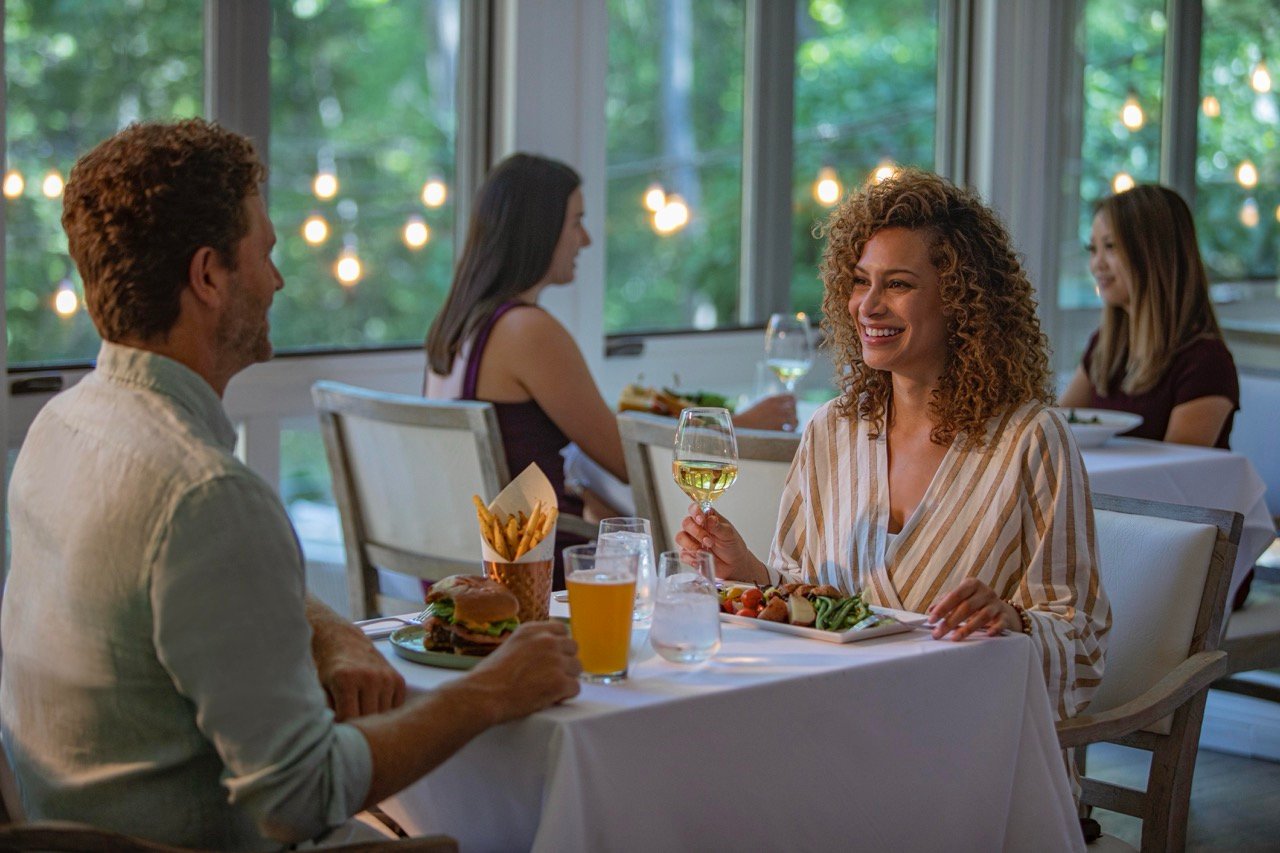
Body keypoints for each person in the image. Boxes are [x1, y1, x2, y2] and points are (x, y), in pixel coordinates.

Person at [0, 119, 581, 850]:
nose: (276, 280)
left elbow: (193, 580)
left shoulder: (62, 427)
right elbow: (299, 796)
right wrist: (493, 691)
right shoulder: (205, 493)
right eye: (265, 253)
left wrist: (330, 627)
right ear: (209, 275)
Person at [678, 169, 1111, 722]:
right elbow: (803, 605)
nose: (869, 305)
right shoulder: (831, 430)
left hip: (966, 733)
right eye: (861, 281)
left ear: (960, 299)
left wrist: (1013, 619)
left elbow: (1081, 637)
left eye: (899, 284)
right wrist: (750, 574)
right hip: (831, 718)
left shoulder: (1030, 439)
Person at [424, 153, 795, 586]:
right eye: (575, 222)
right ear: (539, 231)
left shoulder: (457, 325)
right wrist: (737, 427)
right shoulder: (526, 331)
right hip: (532, 572)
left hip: (472, 567)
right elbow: (626, 459)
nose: (585, 240)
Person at [1058, 184, 1239, 449]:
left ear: (1154, 254)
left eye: (1110, 247)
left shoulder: (1205, 361)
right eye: (1093, 249)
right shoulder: (1104, 346)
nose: (1097, 264)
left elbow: (1173, 476)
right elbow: (1055, 429)